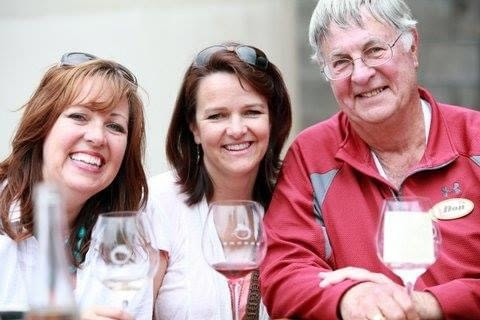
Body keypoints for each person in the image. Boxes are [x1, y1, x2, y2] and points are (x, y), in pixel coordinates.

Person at [260, 0, 480, 319]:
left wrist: (431, 305)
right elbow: (282, 271)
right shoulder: (312, 155)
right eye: (340, 62)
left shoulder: (474, 141)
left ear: (413, 47)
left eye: (375, 50)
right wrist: (348, 297)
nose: (361, 74)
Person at [0, 52, 166, 319]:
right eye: (79, 116)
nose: (97, 137)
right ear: (42, 126)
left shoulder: (132, 242)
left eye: (115, 126)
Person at [147, 42, 292, 319]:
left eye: (252, 112)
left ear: (273, 120)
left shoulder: (297, 200)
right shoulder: (158, 204)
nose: (237, 129)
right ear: (194, 128)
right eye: (217, 116)